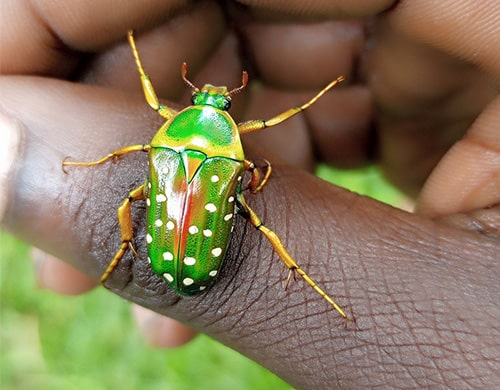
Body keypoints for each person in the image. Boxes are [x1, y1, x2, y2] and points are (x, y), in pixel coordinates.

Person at [1, 1, 498, 388]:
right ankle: (294, 276)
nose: (212, 96)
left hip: (182, 248)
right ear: (223, 116)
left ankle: (135, 255)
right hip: (198, 249)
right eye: (210, 98)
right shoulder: (230, 146)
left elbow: (152, 104)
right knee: (256, 222)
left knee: (131, 197)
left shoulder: (166, 138)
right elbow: (270, 123)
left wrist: (132, 60)